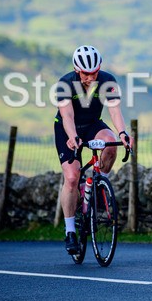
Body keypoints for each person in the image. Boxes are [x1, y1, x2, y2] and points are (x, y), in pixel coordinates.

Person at [55, 45, 131, 255]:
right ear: (76, 70)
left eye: (94, 72)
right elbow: (67, 116)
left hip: (92, 124)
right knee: (71, 178)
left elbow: (115, 111)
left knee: (110, 142)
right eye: (85, 73)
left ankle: (99, 184)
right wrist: (72, 137)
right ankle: (70, 230)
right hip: (67, 129)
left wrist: (123, 133)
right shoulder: (65, 83)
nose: (90, 77)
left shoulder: (107, 80)